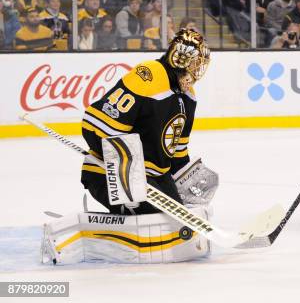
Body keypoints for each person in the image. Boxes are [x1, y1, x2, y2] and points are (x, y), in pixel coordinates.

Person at [48, 28, 213, 264]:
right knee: (155, 220)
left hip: (154, 179)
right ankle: (96, 235)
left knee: (179, 221)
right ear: (181, 56)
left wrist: (188, 181)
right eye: (195, 62)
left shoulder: (189, 96)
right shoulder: (150, 74)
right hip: (110, 175)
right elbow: (95, 126)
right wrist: (127, 170)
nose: (197, 70)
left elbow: (177, 152)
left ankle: (132, 214)